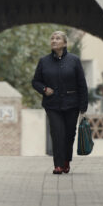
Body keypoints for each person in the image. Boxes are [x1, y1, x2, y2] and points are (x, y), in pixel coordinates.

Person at [31, 30, 88, 174]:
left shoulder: (74, 60)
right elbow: (35, 81)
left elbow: (82, 84)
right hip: (52, 105)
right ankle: (57, 165)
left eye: (57, 38)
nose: (54, 41)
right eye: (52, 38)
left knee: (69, 135)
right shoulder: (44, 61)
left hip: (72, 104)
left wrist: (83, 107)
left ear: (64, 43)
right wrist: (44, 89)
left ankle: (66, 161)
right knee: (57, 134)